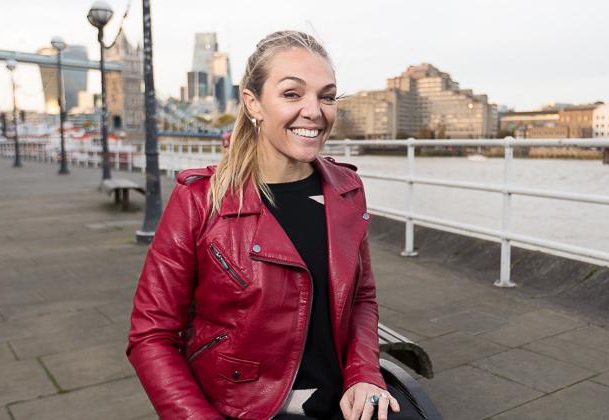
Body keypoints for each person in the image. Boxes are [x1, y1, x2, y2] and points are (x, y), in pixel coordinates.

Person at [127, 31, 423, 420]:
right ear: (253, 103)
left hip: (340, 401)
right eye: (292, 94)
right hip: (244, 408)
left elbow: (361, 298)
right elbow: (152, 336)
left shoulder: (346, 190)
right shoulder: (200, 200)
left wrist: (364, 373)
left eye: (327, 96)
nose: (314, 111)